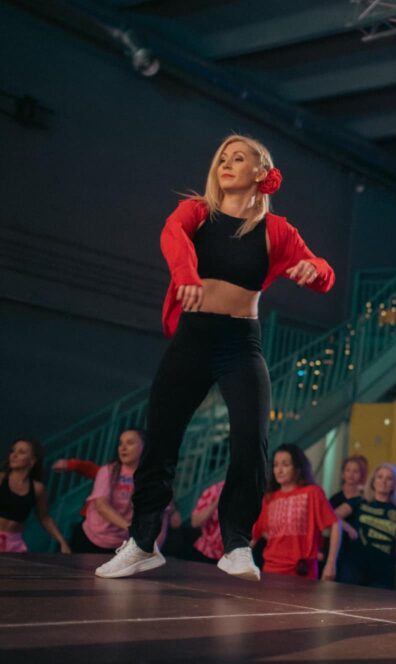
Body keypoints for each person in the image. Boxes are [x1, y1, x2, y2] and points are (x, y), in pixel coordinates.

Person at [95, 134, 335, 581]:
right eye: (223, 157)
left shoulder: (276, 231)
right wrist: (186, 274)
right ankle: (143, 542)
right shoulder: (197, 212)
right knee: (162, 438)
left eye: (238, 158)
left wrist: (314, 270)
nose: (226, 163)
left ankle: (237, 544)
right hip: (193, 337)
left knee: (251, 438)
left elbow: (323, 272)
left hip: (240, 343)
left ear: (261, 172)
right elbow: (172, 236)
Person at [251, 444, 339, 580]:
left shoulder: (312, 493)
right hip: (271, 569)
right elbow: (256, 534)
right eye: (275, 465)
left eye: (285, 465)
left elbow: (335, 524)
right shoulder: (269, 498)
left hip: (301, 572)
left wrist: (331, 563)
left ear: (298, 468)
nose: (279, 470)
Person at [74, 430, 165, 554]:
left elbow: (160, 518)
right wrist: (131, 528)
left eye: (130, 443)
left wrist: (152, 552)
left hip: (122, 543)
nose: (123, 448)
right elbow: (101, 505)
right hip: (92, 538)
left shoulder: (154, 478)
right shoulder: (108, 470)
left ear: (145, 448)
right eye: (120, 443)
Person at [336, 464, 396, 589]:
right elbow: (333, 516)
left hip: (383, 573)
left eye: (389, 478)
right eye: (380, 477)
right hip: (354, 568)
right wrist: (348, 527)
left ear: (394, 484)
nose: (384, 481)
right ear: (373, 481)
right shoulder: (358, 502)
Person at [1, 438, 69, 553]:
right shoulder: (1, 479)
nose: (14, 455)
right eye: (13, 451)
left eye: (21, 452)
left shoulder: (37, 488)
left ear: (32, 460)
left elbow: (44, 517)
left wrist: (62, 541)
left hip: (14, 543)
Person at [190, 480, 226, 563]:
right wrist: (217, 502)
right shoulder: (215, 490)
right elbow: (194, 522)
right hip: (206, 554)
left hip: (229, 559)